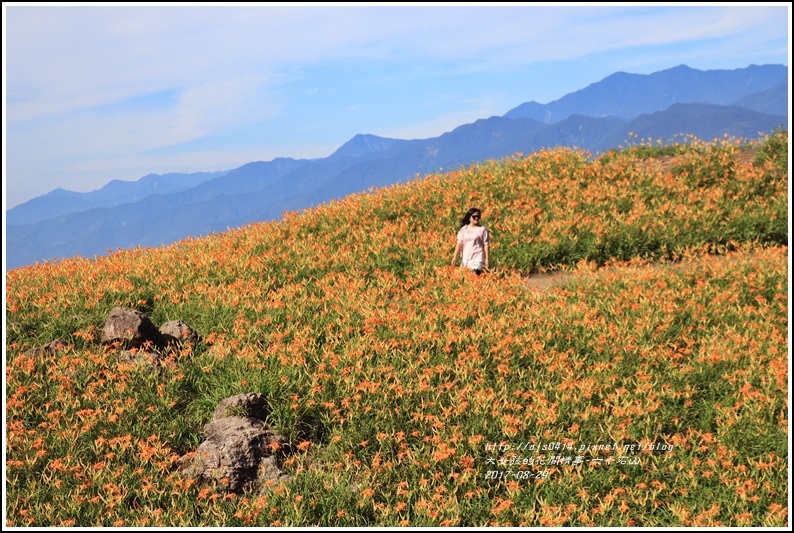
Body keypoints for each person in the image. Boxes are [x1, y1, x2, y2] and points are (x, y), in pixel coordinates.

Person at [451, 207, 490, 275]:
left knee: (475, 275)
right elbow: (459, 244)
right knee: (466, 278)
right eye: (474, 216)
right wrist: (455, 257)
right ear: (469, 218)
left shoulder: (482, 229)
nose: (477, 218)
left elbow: (486, 245)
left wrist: (487, 259)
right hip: (466, 257)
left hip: (478, 257)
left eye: (478, 216)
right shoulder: (464, 229)